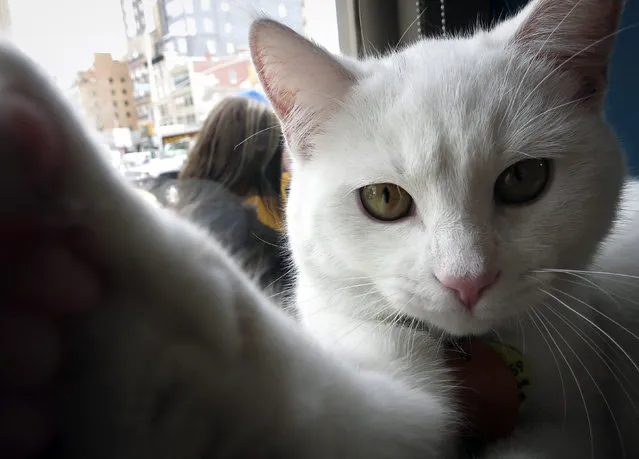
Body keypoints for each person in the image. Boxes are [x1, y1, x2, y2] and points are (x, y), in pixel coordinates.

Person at [174, 96, 290, 291]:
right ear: (260, 159)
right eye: (280, 148)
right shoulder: (254, 242)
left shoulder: (187, 213)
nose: (284, 168)